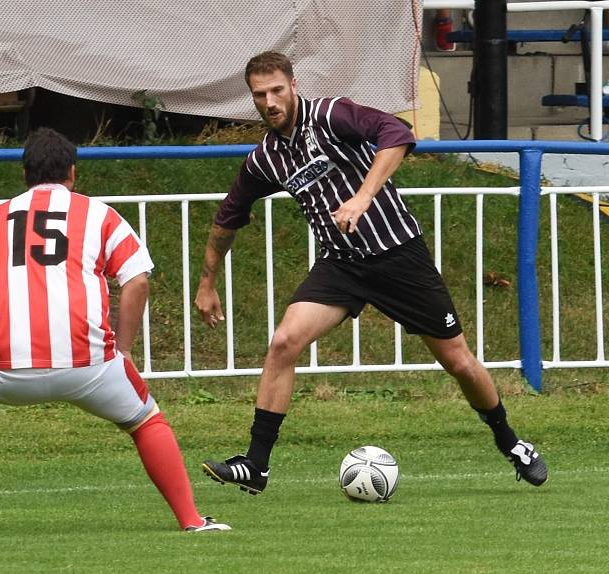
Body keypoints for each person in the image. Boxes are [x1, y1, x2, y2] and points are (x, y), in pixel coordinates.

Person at [194, 51, 547, 496]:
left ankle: (512, 443)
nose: (270, 101)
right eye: (260, 95)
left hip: (397, 255)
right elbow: (227, 218)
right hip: (341, 264)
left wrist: (362, 197)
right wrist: (207, 283)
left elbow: (396, 134)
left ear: (293, 85)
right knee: (284, 341)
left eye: (277, 90)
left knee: (457, 360)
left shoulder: (331, 115)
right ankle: (256, 464)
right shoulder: (266, 158)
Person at [0, 127, 229, 532]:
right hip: (90, 365)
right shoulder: (99, 214)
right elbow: (137, 281)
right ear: (72, 171)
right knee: (146, 420)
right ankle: (191, 520)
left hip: (7, 370)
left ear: (24, 174)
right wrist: (122, 350)